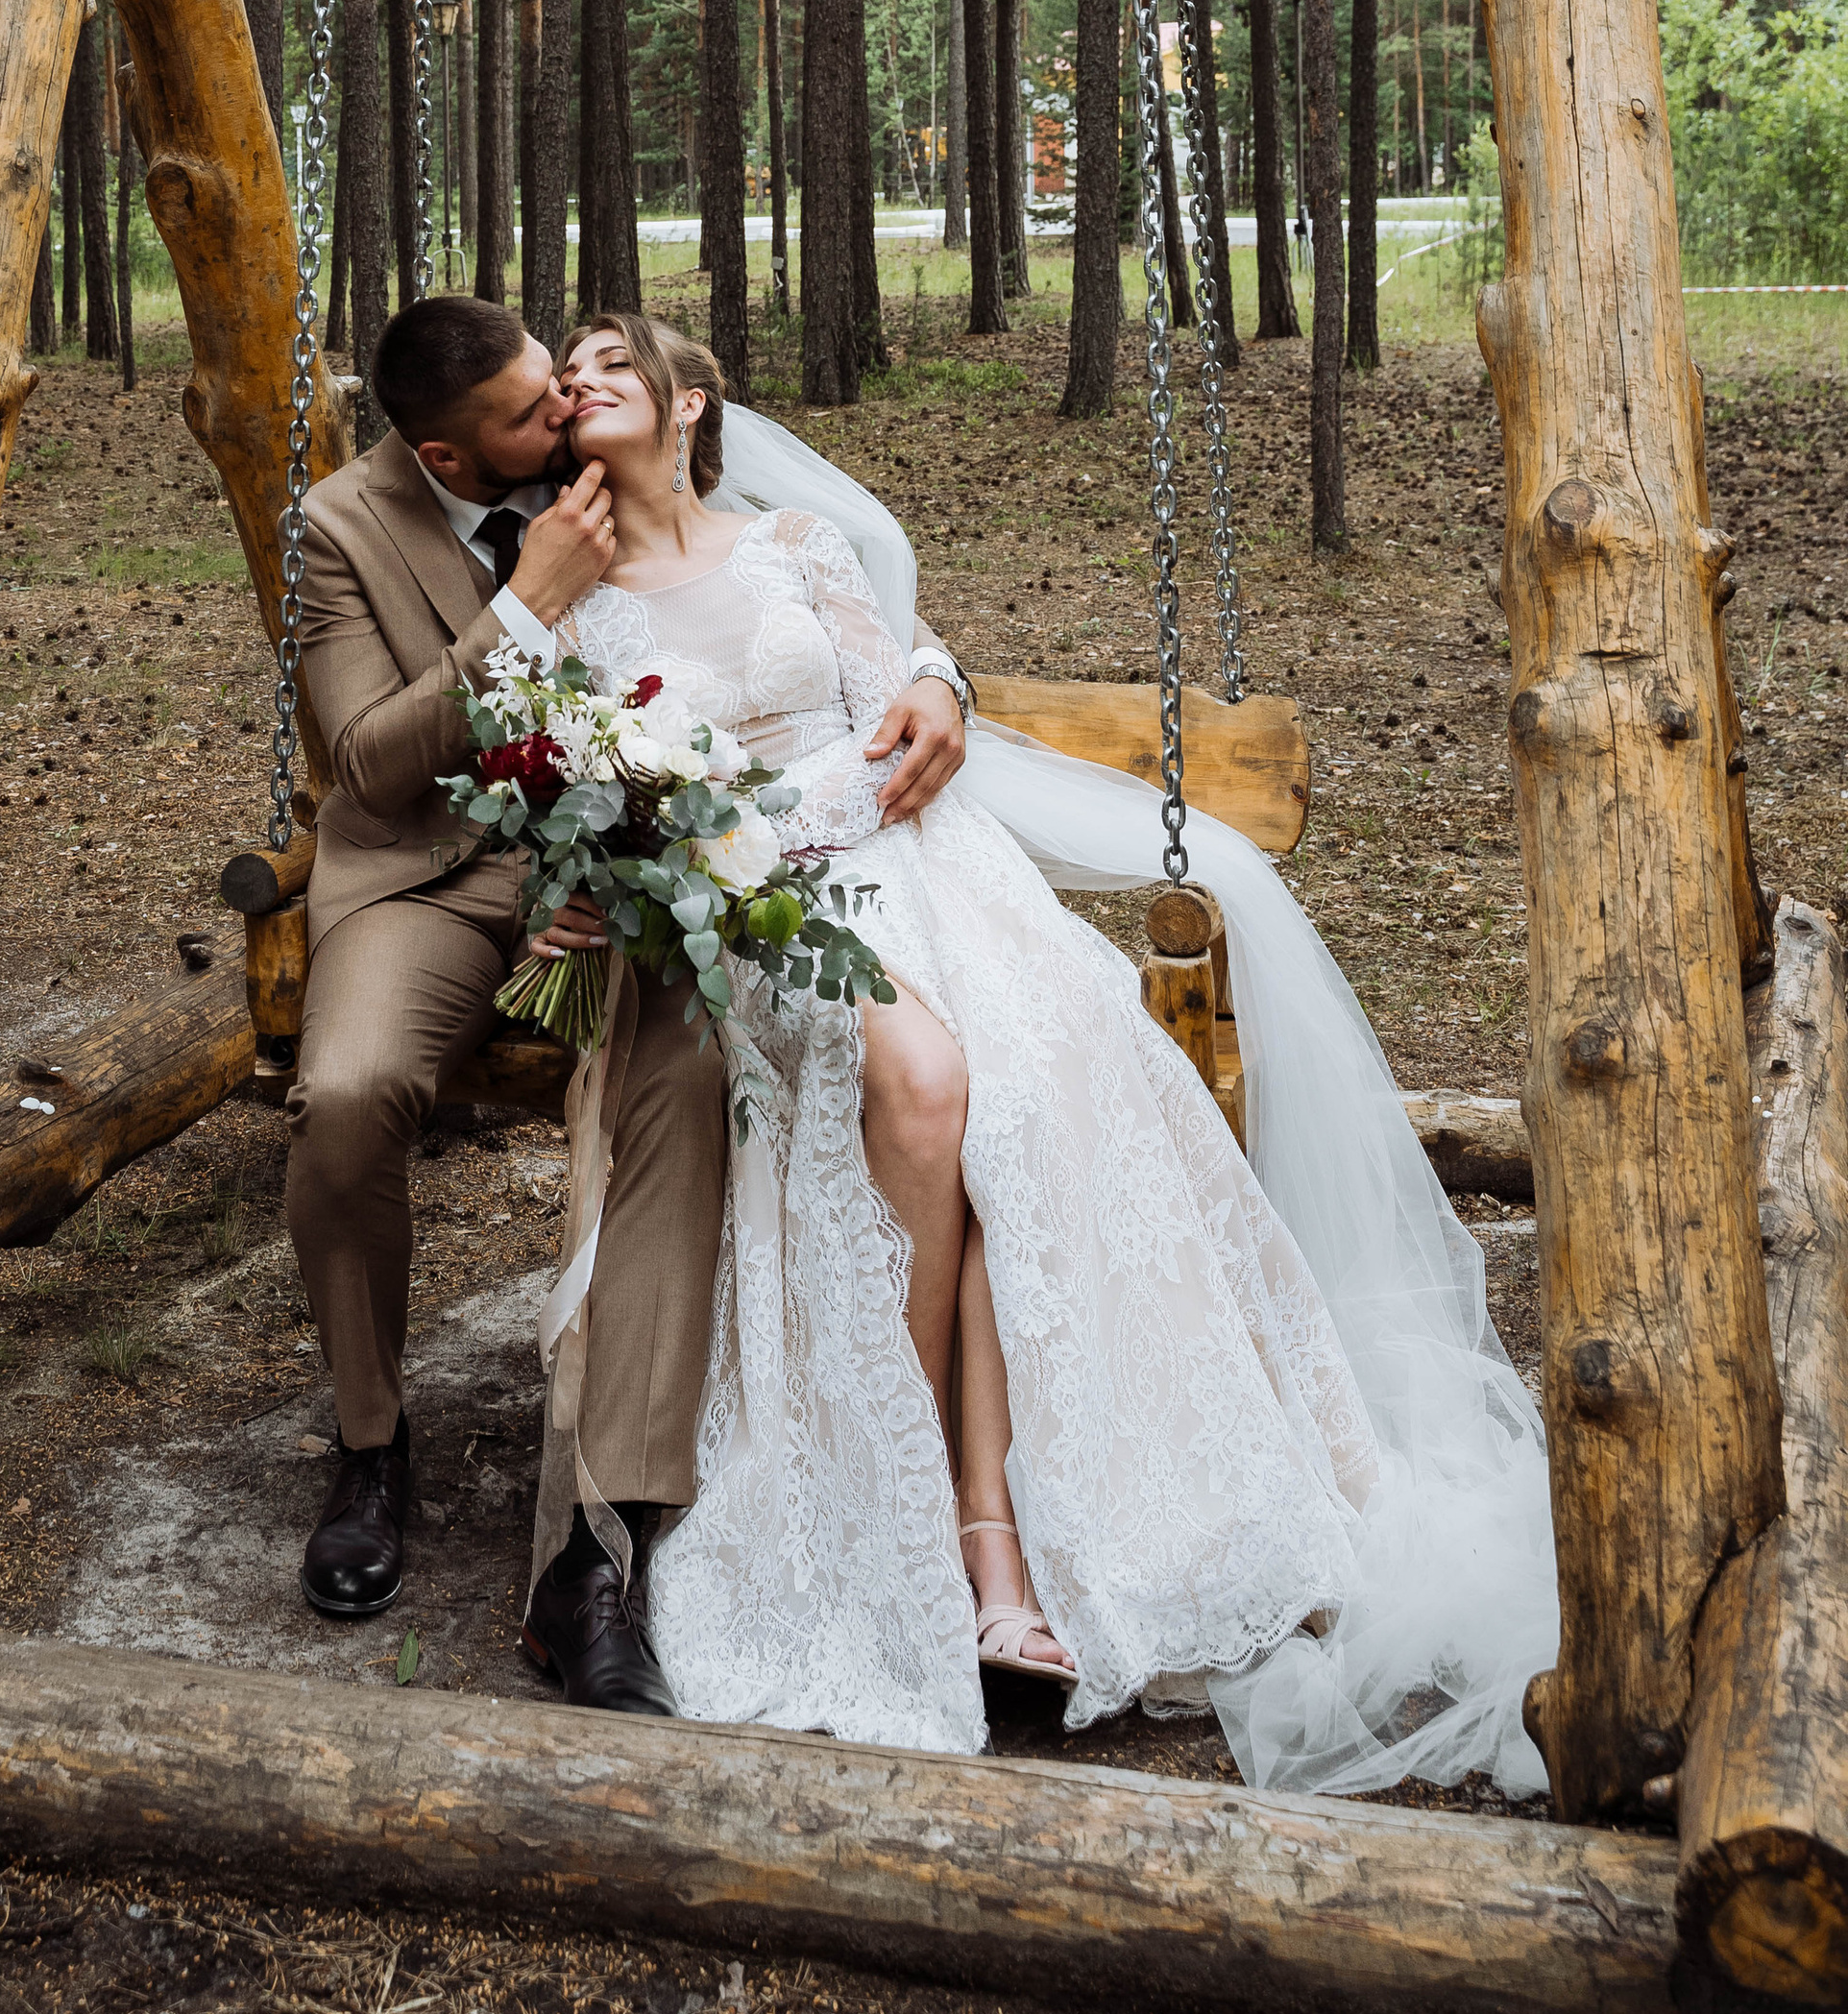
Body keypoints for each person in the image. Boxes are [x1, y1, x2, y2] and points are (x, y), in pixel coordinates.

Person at [545, 312, 1559, 1794]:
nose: (579, 383)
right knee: (931, 1080)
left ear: (694, 405)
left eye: (610, 363)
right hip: (758, 913)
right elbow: (584, 794)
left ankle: (998, 1537)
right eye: (566, 372)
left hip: (923, 862)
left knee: (1021, 1093)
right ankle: (931, 1535)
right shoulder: (576, 598)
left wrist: (939, 681)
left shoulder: (799, 547)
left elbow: (897, 679)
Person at [283, 293, 973, 1712]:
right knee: (349, 1096)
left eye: (561, 381)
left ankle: (604, 1543)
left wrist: (933, 669)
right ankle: (369, 1442)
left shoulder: (600, 461)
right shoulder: (345, 529)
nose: (564, 415)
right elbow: (370, 765)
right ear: (455, 461)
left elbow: (790, 592)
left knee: (687, 1078)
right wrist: (524, 603)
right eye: (533, 413)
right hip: (431, 878)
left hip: (618, 877)